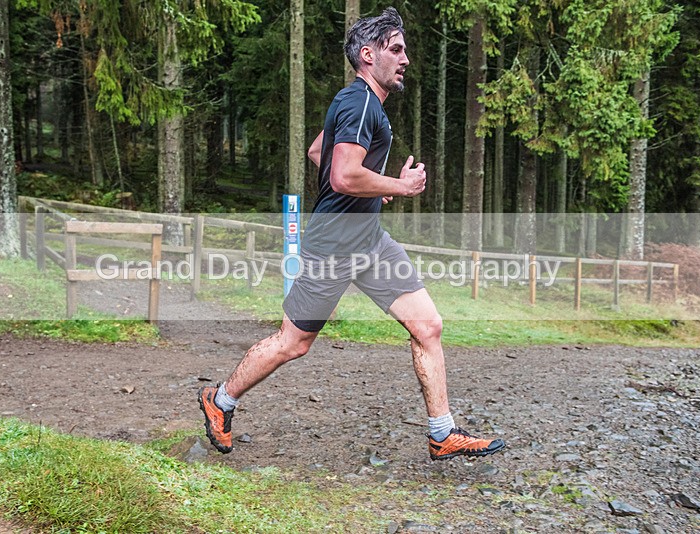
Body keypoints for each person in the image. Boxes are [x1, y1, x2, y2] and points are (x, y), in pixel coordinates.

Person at [199, 7, 505, 461]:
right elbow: (342, 175)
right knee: (293, 343)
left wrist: (371, 191)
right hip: (334, 246)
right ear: (368, 54)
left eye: (405, 50)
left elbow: (318, 151)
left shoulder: (358, 103)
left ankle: (442, 432)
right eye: (396, 50)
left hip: (370, 240)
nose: (405, 59)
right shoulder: (362, 102)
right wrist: (397, 186)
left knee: (428, 326)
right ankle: (219, 400)